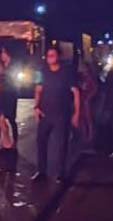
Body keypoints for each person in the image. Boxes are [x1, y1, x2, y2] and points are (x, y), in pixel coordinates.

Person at [33, 47, 80, 183]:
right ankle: (41, 171)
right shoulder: (41, 71)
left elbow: (76, 93)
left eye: (52, 55)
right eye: (48, 56)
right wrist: (36, 107)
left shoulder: (67, 72)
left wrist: (76, 113)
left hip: (62, 114)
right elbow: (38, 89)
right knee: (41, 142)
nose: (50, 58)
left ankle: (61, 173)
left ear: (58, 57)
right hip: (44, 113)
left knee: (61, 144)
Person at [77, 62, 98, 148]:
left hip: (87, 102)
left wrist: (89, 97)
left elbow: (95, 89)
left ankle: (90, 136)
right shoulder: (82, 78)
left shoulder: (90, 78)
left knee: (88, 119)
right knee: (82, 119)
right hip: (82, 100)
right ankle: (84, 136)